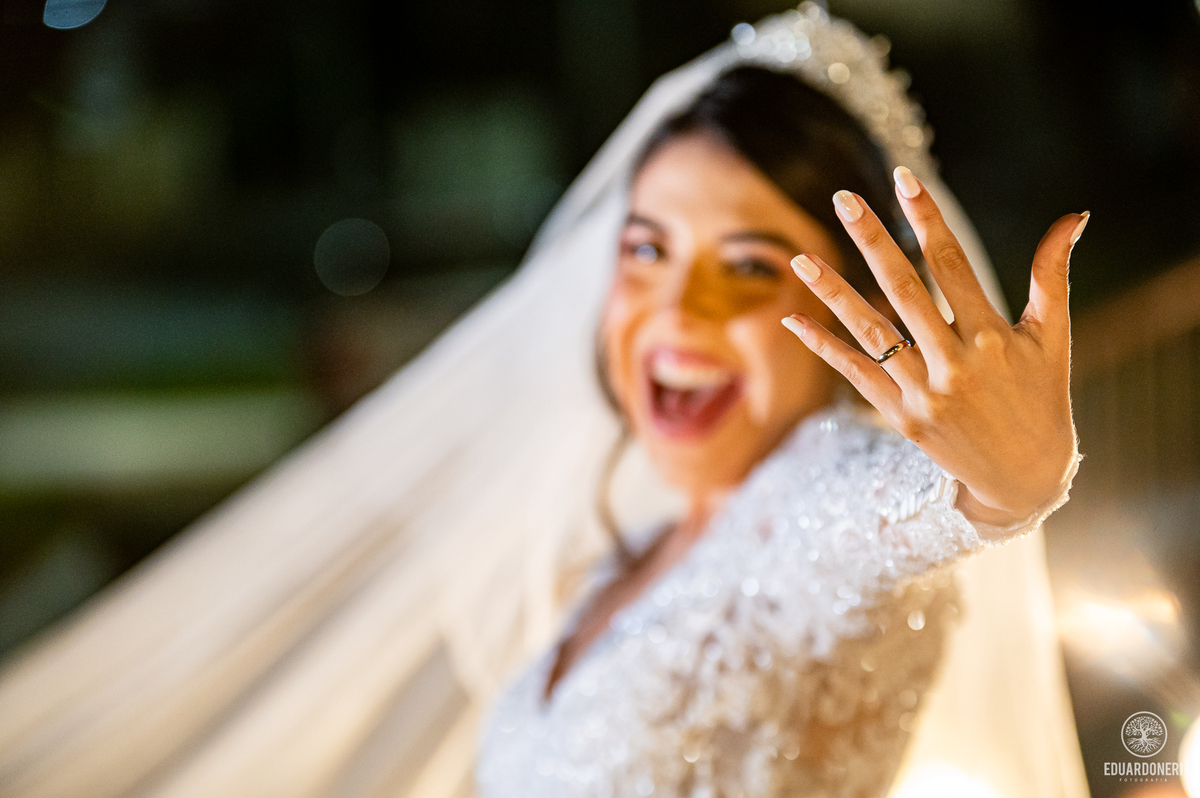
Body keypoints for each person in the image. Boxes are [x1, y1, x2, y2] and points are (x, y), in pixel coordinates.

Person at [0, 5, 1089, 798]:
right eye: (647, 249)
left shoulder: (811, 508)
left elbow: (925, 509)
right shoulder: (638, 544)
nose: (679, 312)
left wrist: (1013, 473)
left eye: (752, 267)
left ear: (858, 308)